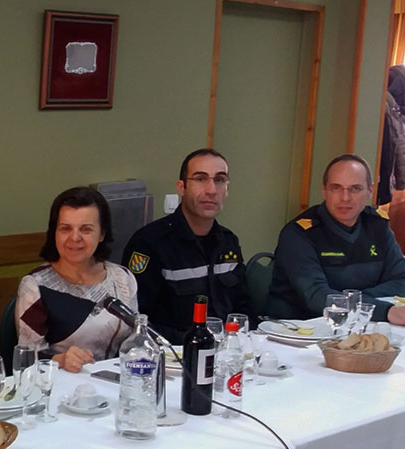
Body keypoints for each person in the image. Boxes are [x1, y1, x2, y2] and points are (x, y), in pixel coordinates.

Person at [267, 154, 405, 327]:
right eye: (336, 188)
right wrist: (385, 310)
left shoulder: (378, 226)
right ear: (324, 191)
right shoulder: (298, 234)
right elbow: (317, 297)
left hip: (359, 325)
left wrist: (355, 301)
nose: (345, 198)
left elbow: (403, 282)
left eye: (355, 189)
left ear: (370, 191)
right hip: (299, 331)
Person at [121, 148, 252, 344]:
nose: (211, 190)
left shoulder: (228, 242)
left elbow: (244, 308)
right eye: (200, 179)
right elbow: (138, 320)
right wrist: (197, 341)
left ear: (227, 188)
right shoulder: (150, 243)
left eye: (219, 180)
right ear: (181, 187)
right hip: (174, 354)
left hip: (227, 351)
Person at [16, 186, 137, 372]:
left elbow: (135, 343)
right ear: (54, 232)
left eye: (86, 229)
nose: (75, 237)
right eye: (65, 229)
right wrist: (59, 360)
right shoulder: (36, 286)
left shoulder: (123, 278)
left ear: (102, 234)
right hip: (61, 387)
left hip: (117, 384)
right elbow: (27, 359)